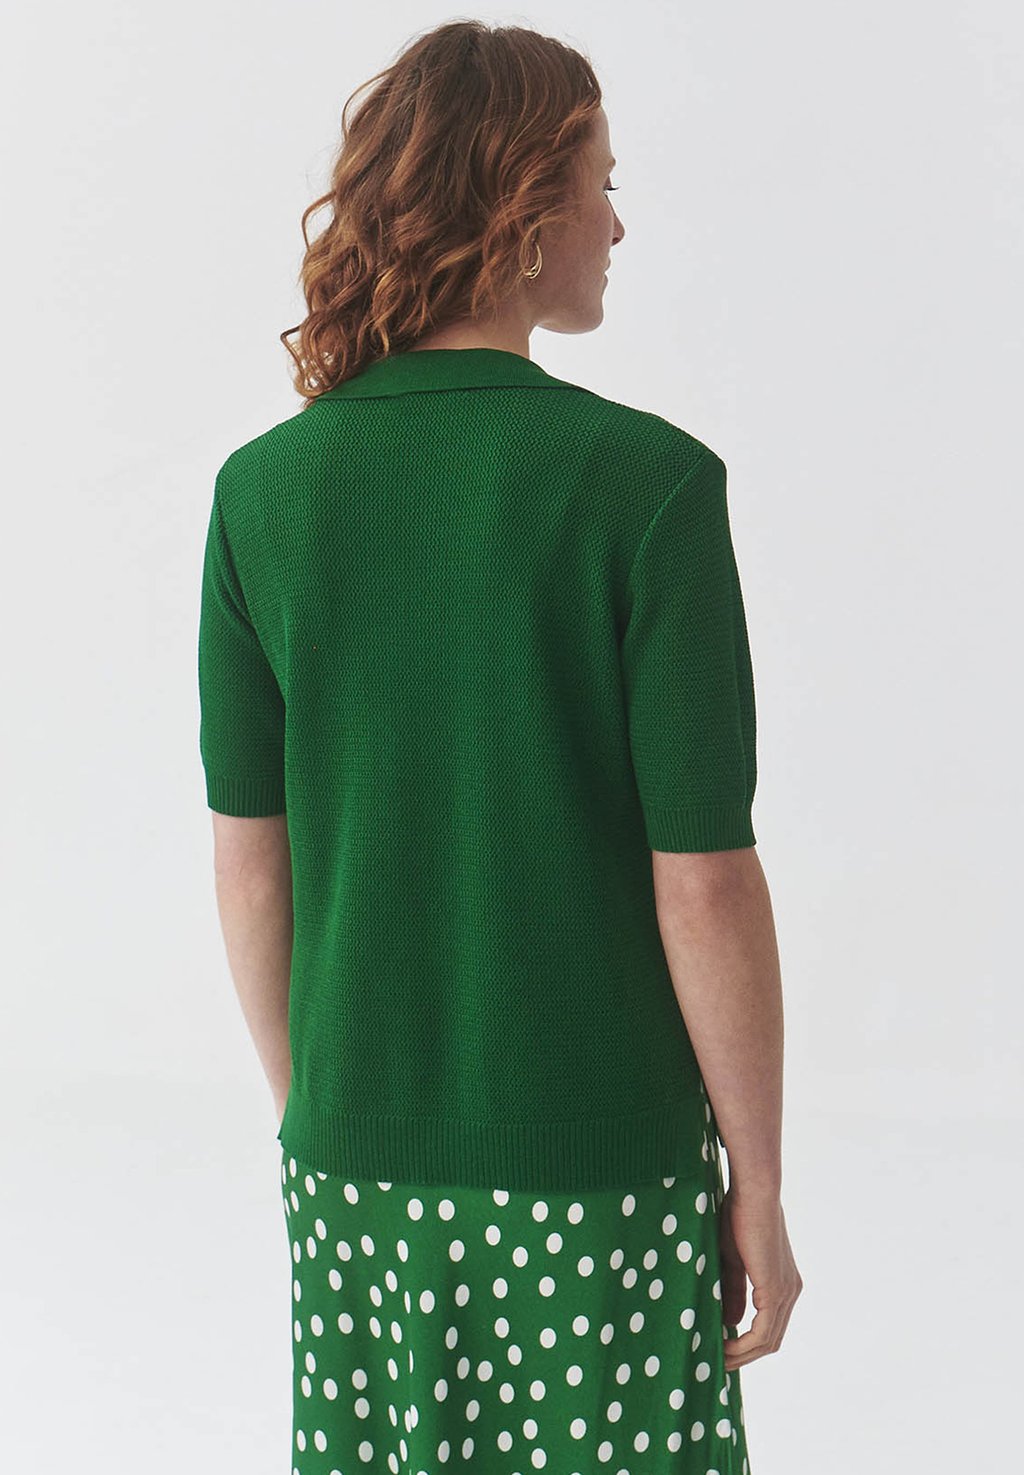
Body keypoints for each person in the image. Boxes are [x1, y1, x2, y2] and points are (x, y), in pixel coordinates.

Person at [197, 19, 802, 1473]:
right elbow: (705, 878)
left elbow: (251, 861)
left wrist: (316, 1107)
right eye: (601, 182)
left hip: (356, 1165)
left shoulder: (264, 493)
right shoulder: (648, 487)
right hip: (600, 1165)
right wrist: (760, 1183)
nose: (617, 224)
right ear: (522, 208)